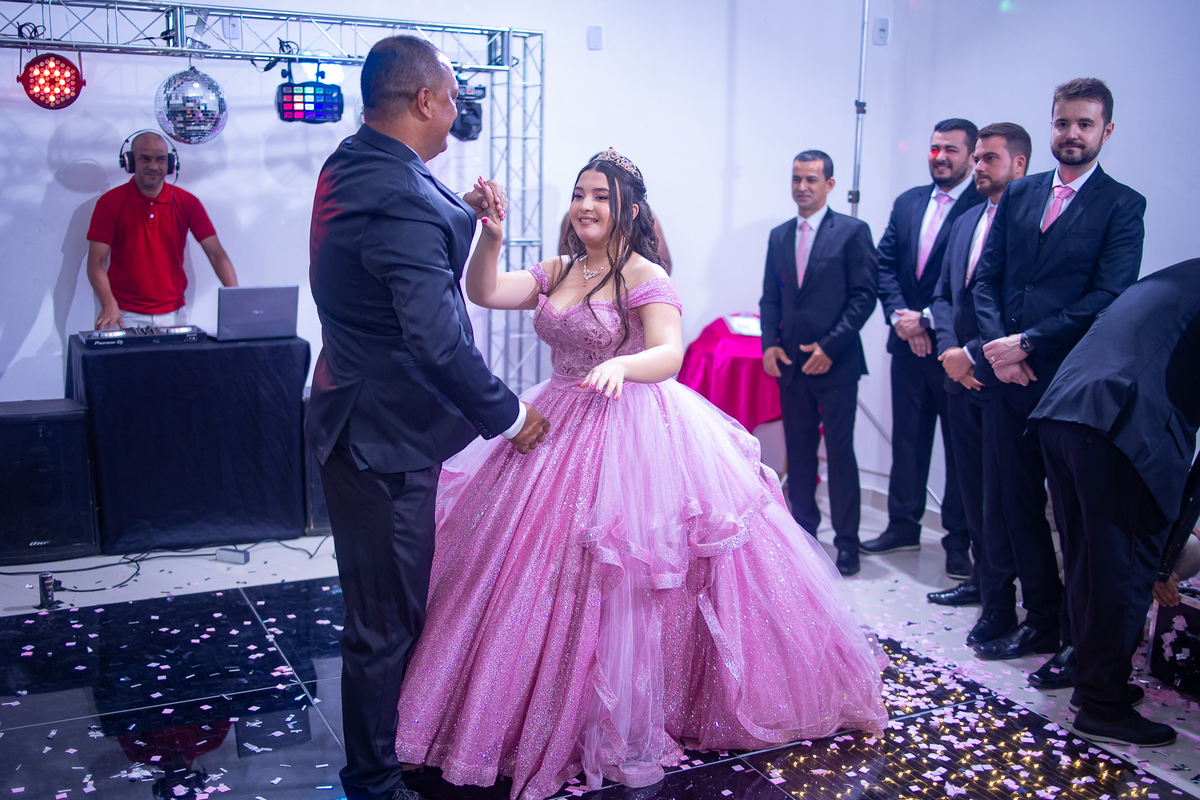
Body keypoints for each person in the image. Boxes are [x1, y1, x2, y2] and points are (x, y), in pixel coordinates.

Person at [393, 150, 887, 800]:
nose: (586, 206)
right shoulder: (560, 268)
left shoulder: (644, 274)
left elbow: (669, 353)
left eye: (601, 195)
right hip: (558, 415)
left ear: (627, 207)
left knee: (627, 569)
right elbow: (485, 292)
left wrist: (623, 366)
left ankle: (631, 709)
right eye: (580, 194)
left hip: (631, 428)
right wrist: (490, 236)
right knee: (525, 562)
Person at [306, 35, 551, 800]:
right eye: (451, 97)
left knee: (387, 612)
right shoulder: (401, 195)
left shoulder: (354, 162)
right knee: (386, 622)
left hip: (356, 412)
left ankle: (390, 752)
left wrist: (464, 218)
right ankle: (374, 781)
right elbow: (437, 339)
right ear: (423, 100)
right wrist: (510, 414)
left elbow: (405, 233)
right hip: (382, 437)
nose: (456, 110)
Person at [972, 79, 1146, 692]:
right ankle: (1041, 620)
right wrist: (1000, 350)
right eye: (1063, 122)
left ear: (1106, 131)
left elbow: (1110, 295)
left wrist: (1029, 342)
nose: (1072, 134)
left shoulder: (1123, 205)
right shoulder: (1019, 193)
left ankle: (1077, 639)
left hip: (1070, 385)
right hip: (1007, 377)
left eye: (1085, 124)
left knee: (1073, 518)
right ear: (1051, 125)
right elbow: (987, 280)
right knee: (1016, 504)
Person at [1030, 258, 1200, 746]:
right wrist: (1165, 560)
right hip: (1122, 427)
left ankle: (1092, 685)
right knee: (1123, 575)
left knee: (1088, 565)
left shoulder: (1182, 274)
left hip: (1062, 414)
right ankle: (1102, 706)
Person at [865, 119, 985, 579]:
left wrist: (929, 320)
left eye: (951, 150)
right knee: (908, 441)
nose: (941, 157)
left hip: (956, 349)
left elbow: (972, 280)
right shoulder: (908, 202)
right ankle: (902, 525)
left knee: (959, 450)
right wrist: (902, 318)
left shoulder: (983, 207)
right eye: (935, 148)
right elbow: (885, 265)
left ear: (971, 155)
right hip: (906, 345)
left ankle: (958, 541)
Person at [926, 124, 1028, 650]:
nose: (980, 167)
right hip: (957, 373)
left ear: (1020, 165)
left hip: (1000, 375)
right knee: (969, 489)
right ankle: (981, 582)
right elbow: (944, 295)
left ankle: (1000, 604)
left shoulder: (1026, 221)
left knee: (999, 499)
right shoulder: (967, 219)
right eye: (980, 158)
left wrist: (972, 356)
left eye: (990, 159)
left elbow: (1015, 304)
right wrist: (950, 352)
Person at [760, 150, 878, 577]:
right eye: (796, 178)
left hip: (837, 364)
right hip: (790, 364)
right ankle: (804, 535)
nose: (802, 187)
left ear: (829, 184)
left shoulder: (852, 232)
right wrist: (769, 345)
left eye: (811, 179)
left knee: (840, 454)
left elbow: (864, 297)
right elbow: (771, 298)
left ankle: (847, 543)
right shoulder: (779, 235)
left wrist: (829, 347)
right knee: (800, 452)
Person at [86, 130, 238, 329]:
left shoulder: (188, 202)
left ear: (170, 163)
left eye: (160, 159)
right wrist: (108, 304)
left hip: (174, 315)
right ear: (130, 162)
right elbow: (96, 262)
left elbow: (216, 255)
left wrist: (237, 303)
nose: (153, 166)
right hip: (122, 314)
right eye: (145, 159)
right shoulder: (109, 203)